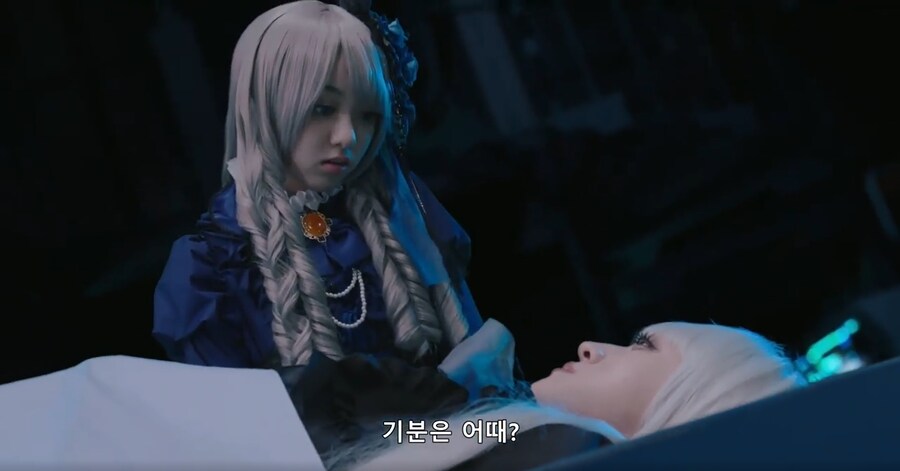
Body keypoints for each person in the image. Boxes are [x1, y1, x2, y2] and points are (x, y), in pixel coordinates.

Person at [152, 0, 485, 370]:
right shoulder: (206, 271)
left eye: (368, 115)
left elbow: (482, 373)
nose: (348, 136)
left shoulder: (402, 210)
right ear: (264, 102)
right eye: (323, 108)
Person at [316, 321, 807, 471]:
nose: (591, 347)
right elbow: (392, 434)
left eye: (644, 346)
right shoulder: (525, 432)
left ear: (695, 403)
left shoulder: (556, 439)